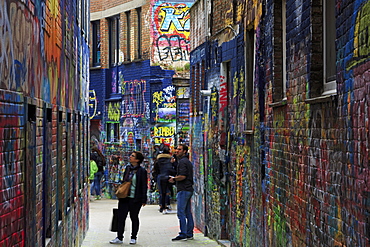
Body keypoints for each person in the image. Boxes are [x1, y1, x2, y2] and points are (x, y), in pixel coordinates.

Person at [110, 151, 148, 245]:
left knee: (134, 217)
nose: (130, 157)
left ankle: (133, 237)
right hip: (124, 197)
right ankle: (119, 237)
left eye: (133, 156)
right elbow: (124, 181)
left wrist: (143, 199)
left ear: (137, 160)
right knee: (121, 217)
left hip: (135, 198)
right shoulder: (128, 168)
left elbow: (144, 185)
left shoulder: (142, 171)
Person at [169, 144, 194, 241]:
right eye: (177, 149)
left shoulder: (182, 162)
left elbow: (183, 176)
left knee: (181, 213)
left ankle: (183, 233)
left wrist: (174, 178)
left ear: (184, 151)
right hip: (187, 189)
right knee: (187, 212)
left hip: (183, 189)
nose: (177, 151)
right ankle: (189, 233)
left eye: (179, 149)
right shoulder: (185, 161)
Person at [152, 145, 176, 214]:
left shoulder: (158, 160)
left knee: (161, 193)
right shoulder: (170, 160)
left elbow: (155, 170)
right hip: (168, 177)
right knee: (167, 192)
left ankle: (162, 206)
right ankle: (167, 205)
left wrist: (156, 178)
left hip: (160, 177)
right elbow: (172, 169)